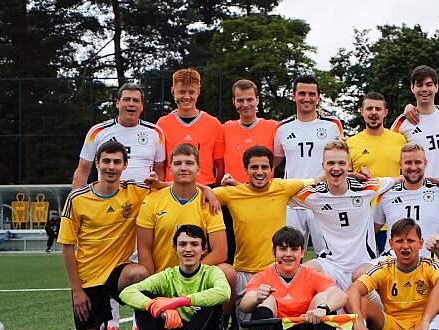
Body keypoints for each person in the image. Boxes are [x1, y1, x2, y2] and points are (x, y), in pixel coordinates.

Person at [291, 140, 388, 330]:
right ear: (323, 166)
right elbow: (275, 192)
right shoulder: (312, 196)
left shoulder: (367, 189)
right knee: (302, 271)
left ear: (349, 165)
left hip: (362, 265)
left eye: (342, 163)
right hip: (331, 264)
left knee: (358, 296)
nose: (336, 168)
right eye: (331, 163)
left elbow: (403, 177)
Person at [59, 140, 151, 330]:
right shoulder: (77, 199)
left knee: (141, 273)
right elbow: (67, 247)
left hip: (119, 274)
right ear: (97, 164)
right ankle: (103, 324)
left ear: (125, 165)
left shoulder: (136, 192)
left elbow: (171, 188)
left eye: (117, 162)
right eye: (106, 161)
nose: (111, 166)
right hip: (89, 280)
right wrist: (77, 291)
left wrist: (207, 191)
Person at [119, 224, 230, 330]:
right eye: (183, 244)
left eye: (194, 244)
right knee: (144, 298)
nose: (188, 249)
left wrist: (176, 302)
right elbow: (127, 292)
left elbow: (224, 293)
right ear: (175, 248)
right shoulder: (168, 275)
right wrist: (157, 307)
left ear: (204, 250)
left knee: (210, 302)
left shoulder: (212, 272)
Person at [238, 227, 350, 330]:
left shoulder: (312, 274)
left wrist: (323, 308)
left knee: (324, 298)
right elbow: (244, 305)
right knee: (266, 299)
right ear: (274, 252)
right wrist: (257, 297)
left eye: (294, 249)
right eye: (283, 249)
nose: (288, 254)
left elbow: (341, 295)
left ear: (302, 252)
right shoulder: (263, 275)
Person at [346, 219, 439, 330]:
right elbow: (353, 291)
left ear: (421, 243)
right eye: (399, 241)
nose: (405, 246)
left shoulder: (431, 265)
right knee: (359, 302)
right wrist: (358, 321)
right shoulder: (384, 268)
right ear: (391, 243)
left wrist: (424, 321)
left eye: (411, 240)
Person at [212, 146, 311, 298]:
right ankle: (224, 319)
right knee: (244, 319)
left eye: (264, 167)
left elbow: (319, 180)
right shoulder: (230, 194)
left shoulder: (282, 187)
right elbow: (192, 193)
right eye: (254, 167)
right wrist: (206, 190)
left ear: (272, 169)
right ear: (246, 170)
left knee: (270, 317)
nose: (259, 172)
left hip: (275, 271)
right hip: (244, 271)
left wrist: (350, 173)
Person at [135, 144, 231, 285]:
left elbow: (220, 252)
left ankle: (220, 307)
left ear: (198, 169)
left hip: (196, 278)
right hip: (163, 278)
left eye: (189, 163)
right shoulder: (152, 200)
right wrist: (154, 282)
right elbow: (144, 249)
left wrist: (190, 275)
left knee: (228, 272)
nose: (183, 167)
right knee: (137, 273)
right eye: (178, 163)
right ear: (170, 169)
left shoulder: (209, 202)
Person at [274, 74, 344, 241]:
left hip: (323, 199)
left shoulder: (333, 125)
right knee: (290, 253)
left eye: (312, 94)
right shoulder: (282, 128)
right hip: (293, 201)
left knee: (327, 254)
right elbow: (273, 164)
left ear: (319, 98)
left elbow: (343, 158)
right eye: (302, 93)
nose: (307, 98)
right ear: (293, 96)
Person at [72, 84, 165, 188]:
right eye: (126, 99)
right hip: (109, 198)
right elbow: (82, 172)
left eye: (135, 100)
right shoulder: (97, 131)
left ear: (142, 106)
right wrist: (76, 201)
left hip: (144, 199)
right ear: (117, 103)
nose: (131, 104)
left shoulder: (155, 132)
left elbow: (160, 171)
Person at [372, 143, 439, 257]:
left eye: (417, 162)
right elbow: (371, 230)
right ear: (400, 165)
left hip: (430, 267)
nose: (413, 167)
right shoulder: (386, 195)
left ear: (425, 164)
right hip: (394, 267)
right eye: (408, 163)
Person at [156, 68, 225, 185]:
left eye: (191, 92)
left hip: (205, 188)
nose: (187, 97)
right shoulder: (162, 124)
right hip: (171, 188)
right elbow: (159, 165)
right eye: (182, 92)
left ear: (198, 92)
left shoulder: (213, 124)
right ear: (173, 91)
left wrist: (215, 190)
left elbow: (220, 164)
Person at [391, 65, 439, 180]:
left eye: (429, 84)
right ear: (412, 88)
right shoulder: (402, 122)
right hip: (419, 191)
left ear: (436, 87)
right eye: (419, 85)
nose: (424, 89)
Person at [221, 78, 280, 182]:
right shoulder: (225, 128)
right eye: (240, 100)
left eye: (249, 100)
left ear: (257, 100)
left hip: (263, 191)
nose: (245, 104)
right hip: (233, 191)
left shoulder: (274, 127)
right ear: (233, 101)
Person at [346, 92, 406, 179]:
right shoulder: (349, 143)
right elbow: (344, 177)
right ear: (362, 111)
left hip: (395, 192)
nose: (374, 112)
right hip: (363, 192)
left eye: (378, 109)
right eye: (369, 108)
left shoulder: (401, 140)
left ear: (385, 112)